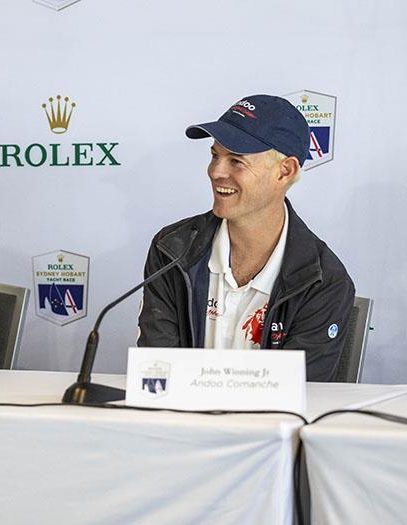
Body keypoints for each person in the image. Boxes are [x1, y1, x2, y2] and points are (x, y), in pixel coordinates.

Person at [137, 94, 354, 381]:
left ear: (285, 171)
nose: (216, 172)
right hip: (180, 423)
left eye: (236, 161)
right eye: (215, 155)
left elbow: (297, 395)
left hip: (268, 426)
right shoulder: (172, 250)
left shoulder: (324, 280)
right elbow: (157, 373)